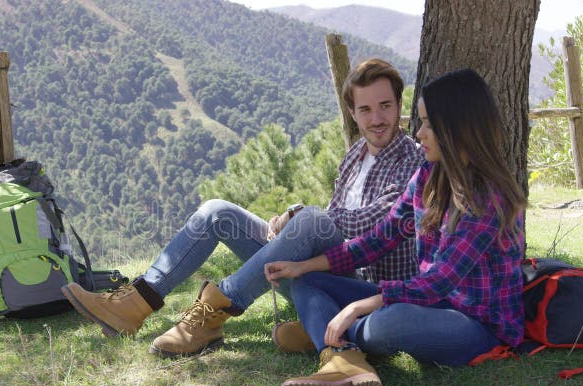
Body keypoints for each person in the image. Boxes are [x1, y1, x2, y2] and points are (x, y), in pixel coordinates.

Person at [61, 58, 424, 357]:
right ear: (352, 112)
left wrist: (300, 218)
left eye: (386, 106)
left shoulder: (412, 159)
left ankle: (211, 314)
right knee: (218, 211)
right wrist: (294, 229)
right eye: (366, 109)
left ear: (399, 105)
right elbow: (330, 222)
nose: (377, 119)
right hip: (316, 273)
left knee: (311, 219)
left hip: (366, 291)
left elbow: (378, 223)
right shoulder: (355, 156)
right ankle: (136, 302)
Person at [264, 68, 527, 386]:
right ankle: (344, 354)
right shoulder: (427, 177)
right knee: (308, 282)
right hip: (428, 303)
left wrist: (361, 305)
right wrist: (306, 266)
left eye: (429, 123)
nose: (419, 134)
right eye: (420, 122)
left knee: (393, 320)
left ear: (459, 126)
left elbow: (440, 281)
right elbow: (378, 240)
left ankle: (326, 335)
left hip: (476, 325)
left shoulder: (488, 198)